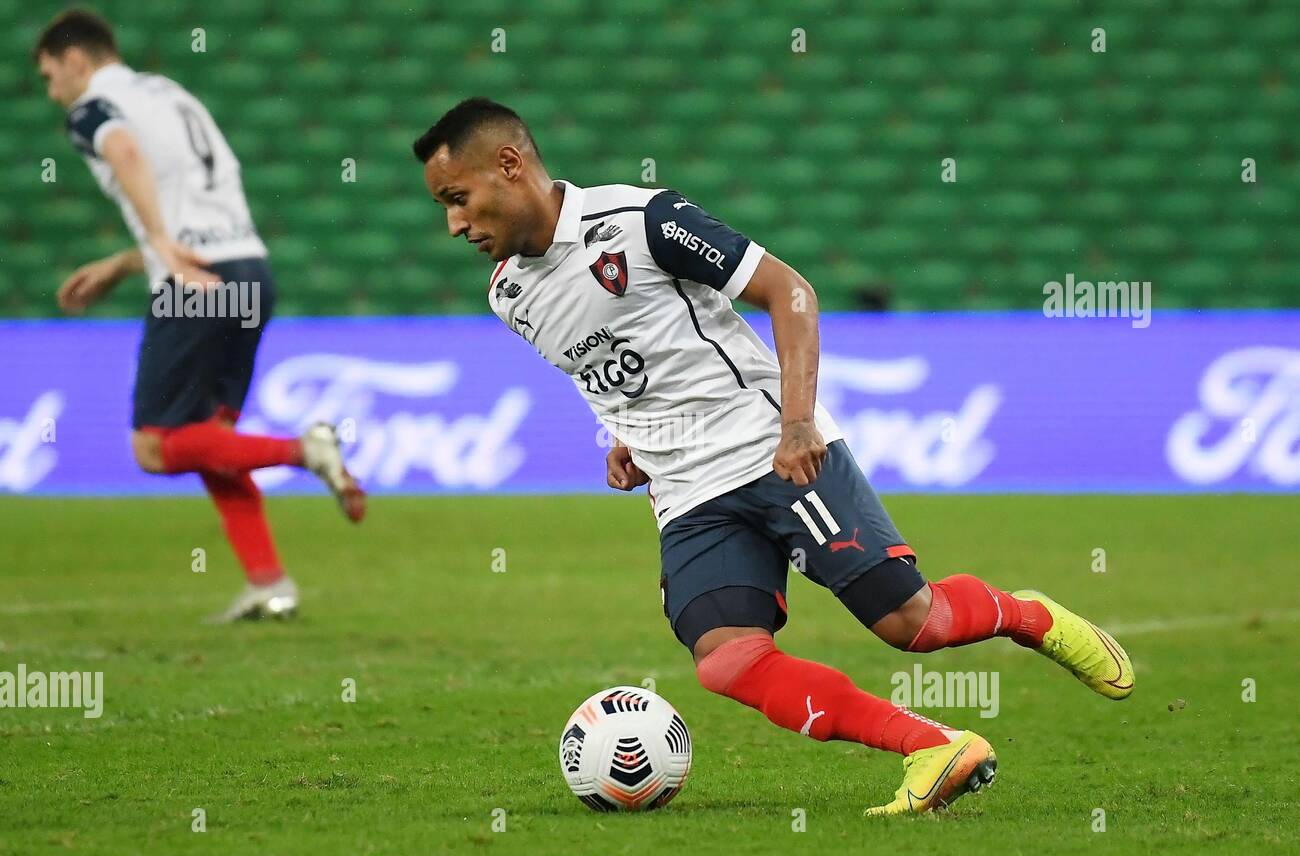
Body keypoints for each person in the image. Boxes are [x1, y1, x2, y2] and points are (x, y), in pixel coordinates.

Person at [413, 97, 1134, 814]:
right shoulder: (508, 295)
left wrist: (796, 425)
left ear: (509, 165)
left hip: (770, 449)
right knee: (726, 660)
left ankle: (1029, 616)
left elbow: (790, 292)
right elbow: (617, 360)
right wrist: (628, 437)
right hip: (688, 493)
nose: (454, 224)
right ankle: (934, 744)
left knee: (914, 625)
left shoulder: (642, 223)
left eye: (458, 198)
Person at [35, 9, 365, 621]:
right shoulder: (170, 94)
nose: (52, 91)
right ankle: (269, 583)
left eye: (51, 75)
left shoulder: (93, 110)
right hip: (250, 275)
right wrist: (124, 261)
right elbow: (198, 200)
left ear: (76, 62)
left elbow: (125, 153)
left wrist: (159, 243)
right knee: (208, 438)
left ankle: (305, 450)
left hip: (196, 282)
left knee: (154, 448)